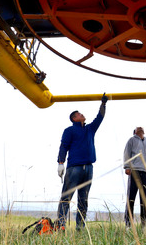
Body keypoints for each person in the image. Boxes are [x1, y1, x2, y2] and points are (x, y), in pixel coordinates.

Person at [56, 93, 108, 230]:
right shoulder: (69, 130)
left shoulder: (90, 129)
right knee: (66, 198)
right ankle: (61, 226)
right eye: (79, 114)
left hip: (88, 169)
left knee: (83, 200)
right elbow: (64, 146)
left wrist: (103, 104)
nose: (82, 114)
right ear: (74, 118)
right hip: (74, 169)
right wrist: (60, 163)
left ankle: (80, 228)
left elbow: (100, 117)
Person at [123, 126, 146, 228]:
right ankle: (128, 224)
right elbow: (127, 153)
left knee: (144, 198)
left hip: (145, 172)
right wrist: (127, 166)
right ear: (135, 132)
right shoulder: (131, 140)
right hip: (134, 171)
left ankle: (144, 224)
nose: (140, 128)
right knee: (131, 198)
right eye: (138, 128)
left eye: (141, 128)